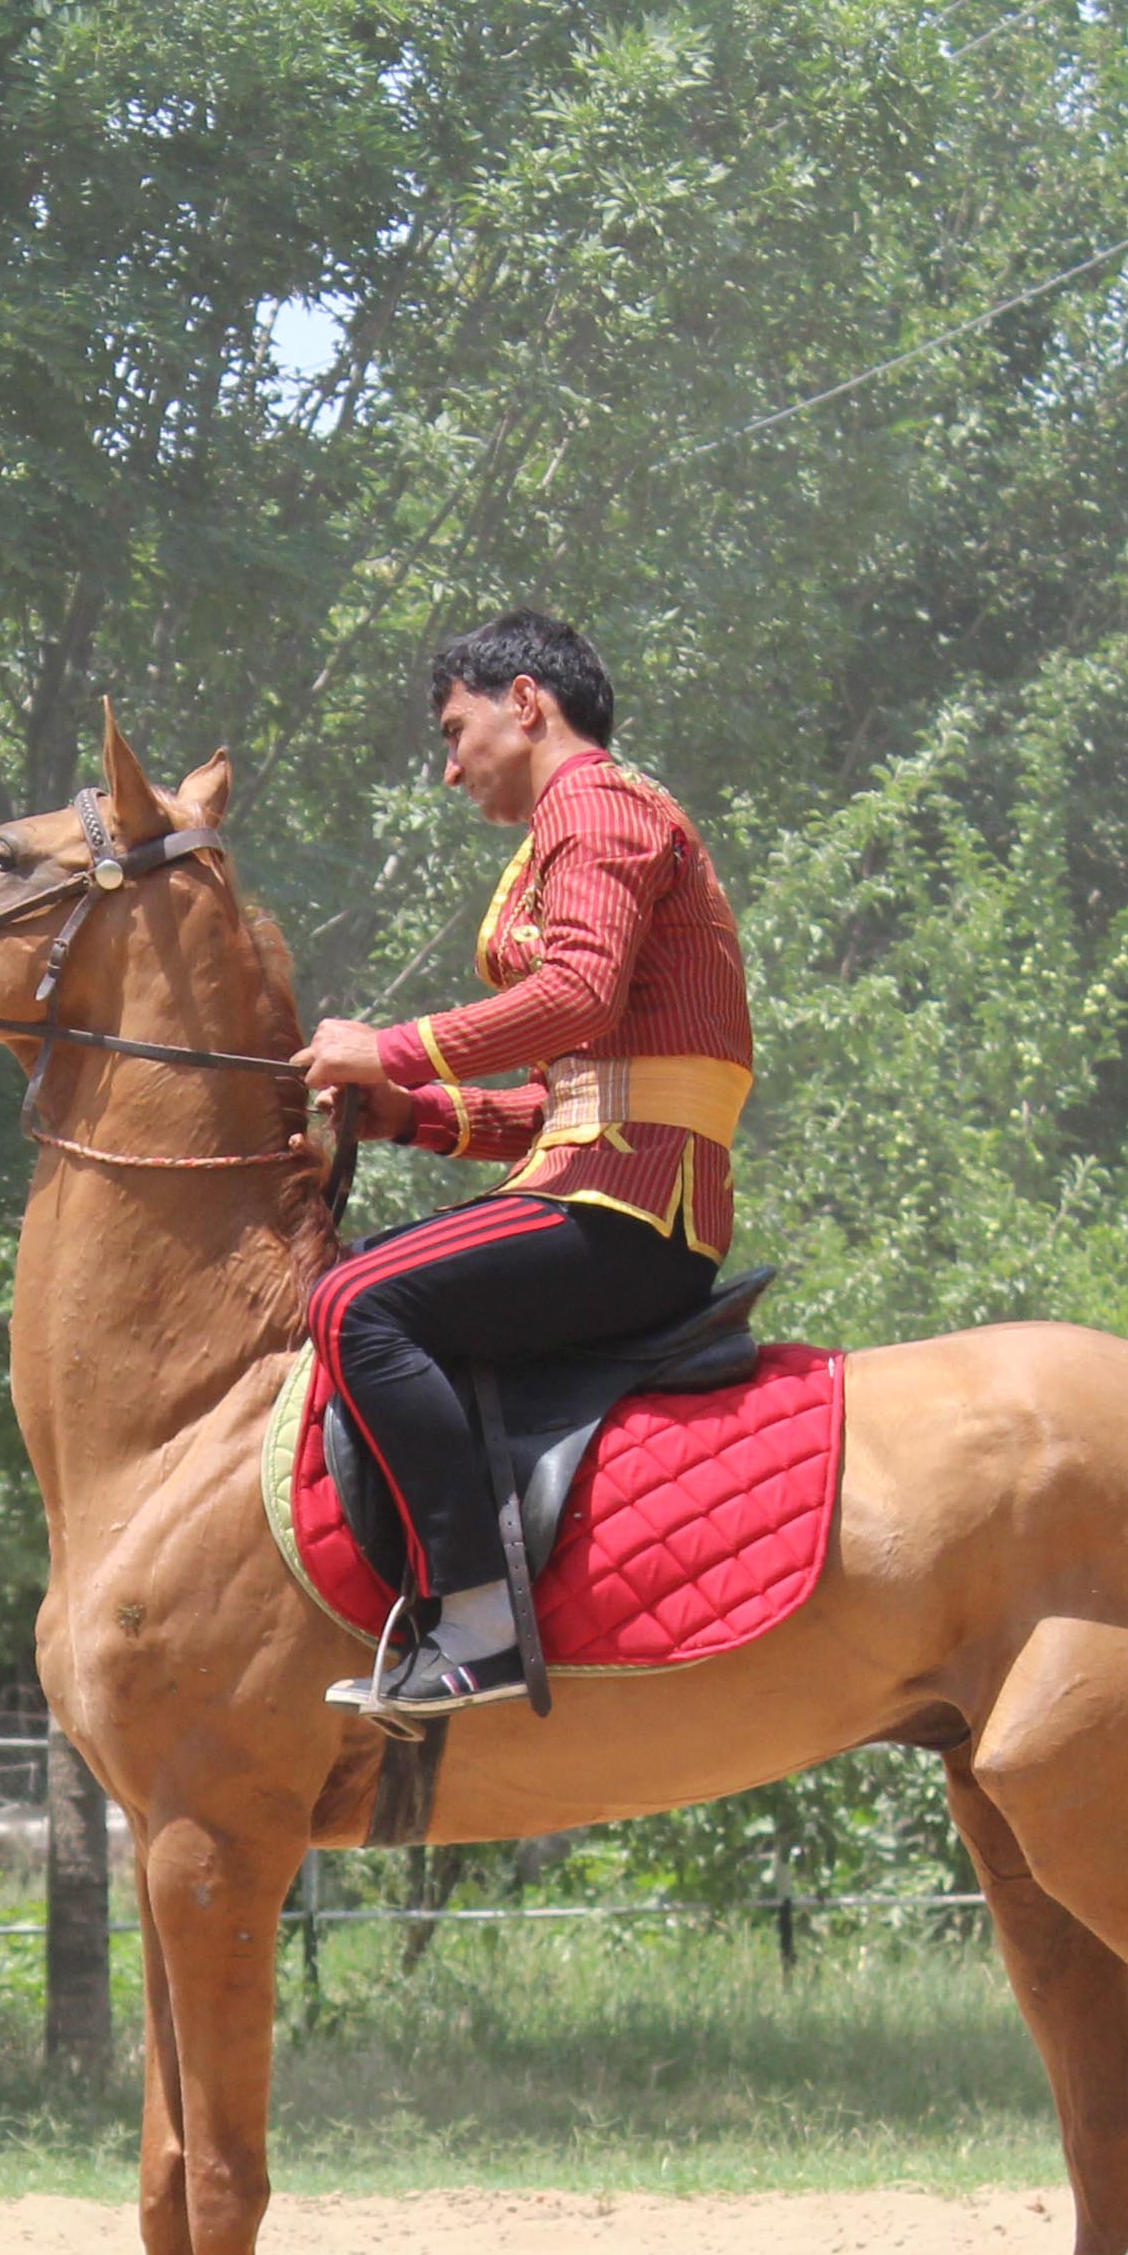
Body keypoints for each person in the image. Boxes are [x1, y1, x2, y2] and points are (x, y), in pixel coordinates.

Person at [294, 612, 755, 1721]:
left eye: (457, 732)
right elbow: (569, 1103)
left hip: (629, 1212)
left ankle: (482, 1619)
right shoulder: (589, 818)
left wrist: (389, 1047)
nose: (451, 770)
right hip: (602, 1180)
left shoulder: (592, 805)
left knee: (354, 1302)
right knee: (362, 1279)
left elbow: (580, 996)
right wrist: (410, 1112)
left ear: (527, 702)